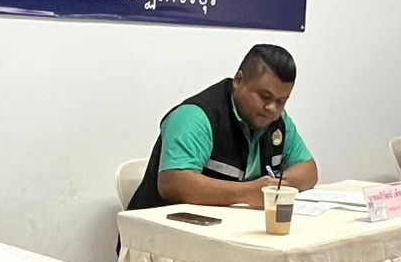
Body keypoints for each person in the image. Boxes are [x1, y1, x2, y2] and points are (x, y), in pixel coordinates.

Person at [127, 43, 318, 209]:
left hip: (228, 228)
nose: (272, 108)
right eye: (265, 97)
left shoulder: (278, 121)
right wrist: (247, 193)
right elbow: (173, 183)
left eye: (281, 101)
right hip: (160, 233)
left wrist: (277, 186)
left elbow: (308, 169)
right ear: (239, 81)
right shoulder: (196, 117)